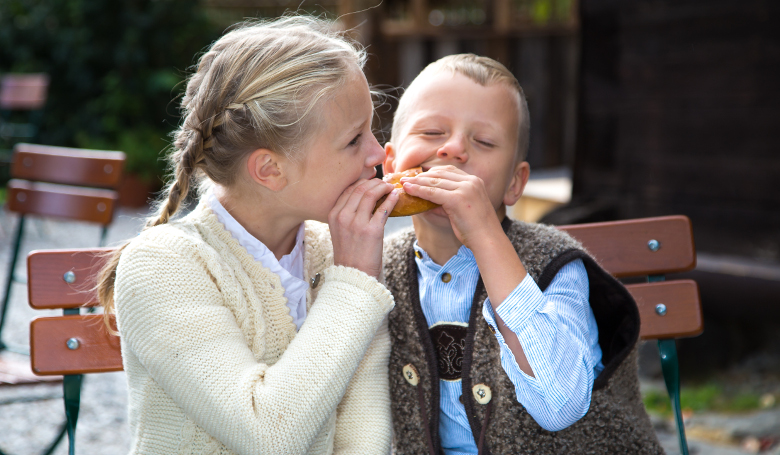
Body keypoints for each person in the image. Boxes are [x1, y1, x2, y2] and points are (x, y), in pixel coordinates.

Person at [96, 16, 401, 455]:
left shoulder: (339, 252)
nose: (377, 153)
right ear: (270, 170)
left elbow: (362, 435)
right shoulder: (161, 267)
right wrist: (353, 287)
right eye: (354, 140)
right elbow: (267, 433)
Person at [382, 54, 664, 455]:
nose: (453, 149)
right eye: (431, 132)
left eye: (483, 141)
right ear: (391, 164)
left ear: (515, 184)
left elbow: (559, 405)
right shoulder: (377, 269)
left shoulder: (554, 264)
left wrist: (485, 236)